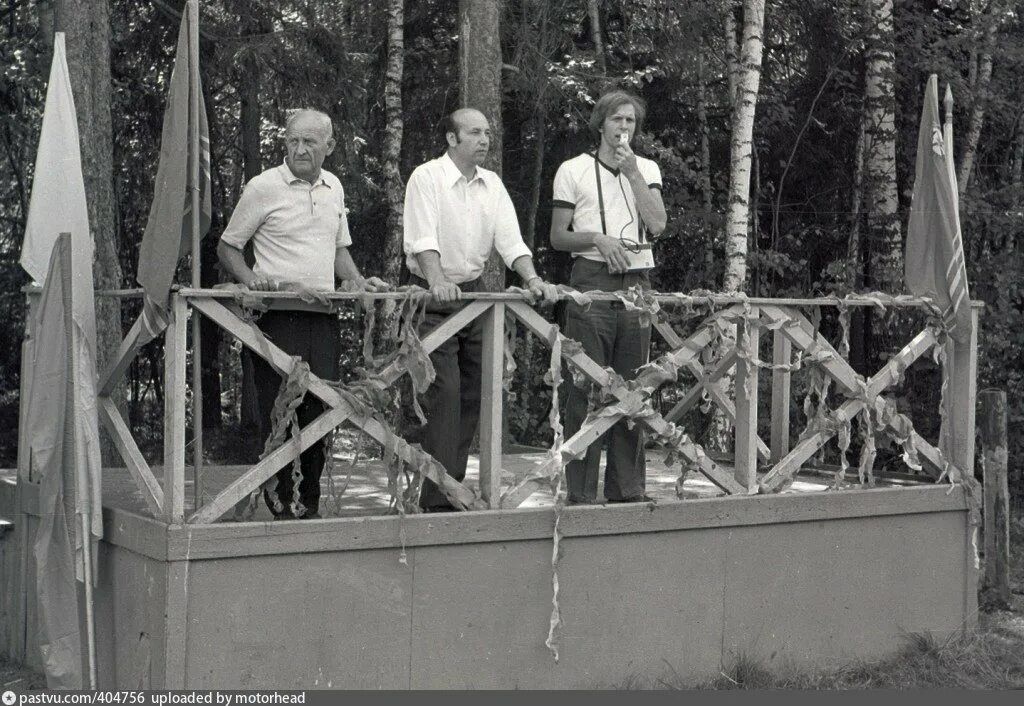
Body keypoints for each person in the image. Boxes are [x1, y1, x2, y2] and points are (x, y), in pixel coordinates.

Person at [218, 109, 388, 520]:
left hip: (323, 318)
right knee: (280, 410)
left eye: (309, 142)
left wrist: (359, 282)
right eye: (293, 141)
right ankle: (279, 503)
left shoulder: (334, 188)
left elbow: (337, 251)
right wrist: (250, 280)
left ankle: (307, 502)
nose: (299, 149)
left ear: (329, 147)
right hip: (275, 321)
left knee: (322, 410)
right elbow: (228, 247)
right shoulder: (263, 187)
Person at [403, 107, 558, 512]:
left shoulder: (492, 185)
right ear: (452, 139)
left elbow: (511, 243)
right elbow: (422, 240)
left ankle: (451, 487)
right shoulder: (427, 177)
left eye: (487, 133)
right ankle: (437, 497)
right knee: (445, 392)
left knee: (473, 393)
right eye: (474, 133)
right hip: (429, 295)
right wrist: (437, 281)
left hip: (474, 297)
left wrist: (533, 279)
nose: (485, 140)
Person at [549, 90, 667, 505]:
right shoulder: (573, 170)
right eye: (617, 120)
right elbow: (558, 236)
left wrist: (633, 172)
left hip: (637, 283)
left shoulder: (646, 167)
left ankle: (628, 491)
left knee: (634, 386)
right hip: (591, 280)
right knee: (586, 384)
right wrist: (596, 239)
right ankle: (579, 492)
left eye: (631, 122)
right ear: (601, 124)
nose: (623, 128)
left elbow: (657, 223)